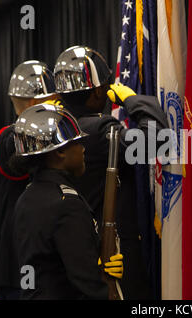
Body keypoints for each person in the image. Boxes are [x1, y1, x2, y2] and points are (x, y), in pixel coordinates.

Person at [54, 45, 168, 299]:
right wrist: (131, 100)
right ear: (97, 91)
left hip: (75, 255)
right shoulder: (98, 130)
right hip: (112, 254)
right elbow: (159, 138)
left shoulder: (56, 129)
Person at [10, 103, 123, 299]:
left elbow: (36, 271)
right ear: (60, 152)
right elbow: (87, 284)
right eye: (77, 143)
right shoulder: (66, 204)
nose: (83, 150)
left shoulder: (26, 198)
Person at [0, 60, 61, 299]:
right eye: (53, 98)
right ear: (33, 103)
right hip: (20, 271)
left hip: (33, 269)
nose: (59, 103)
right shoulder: (10, 139)